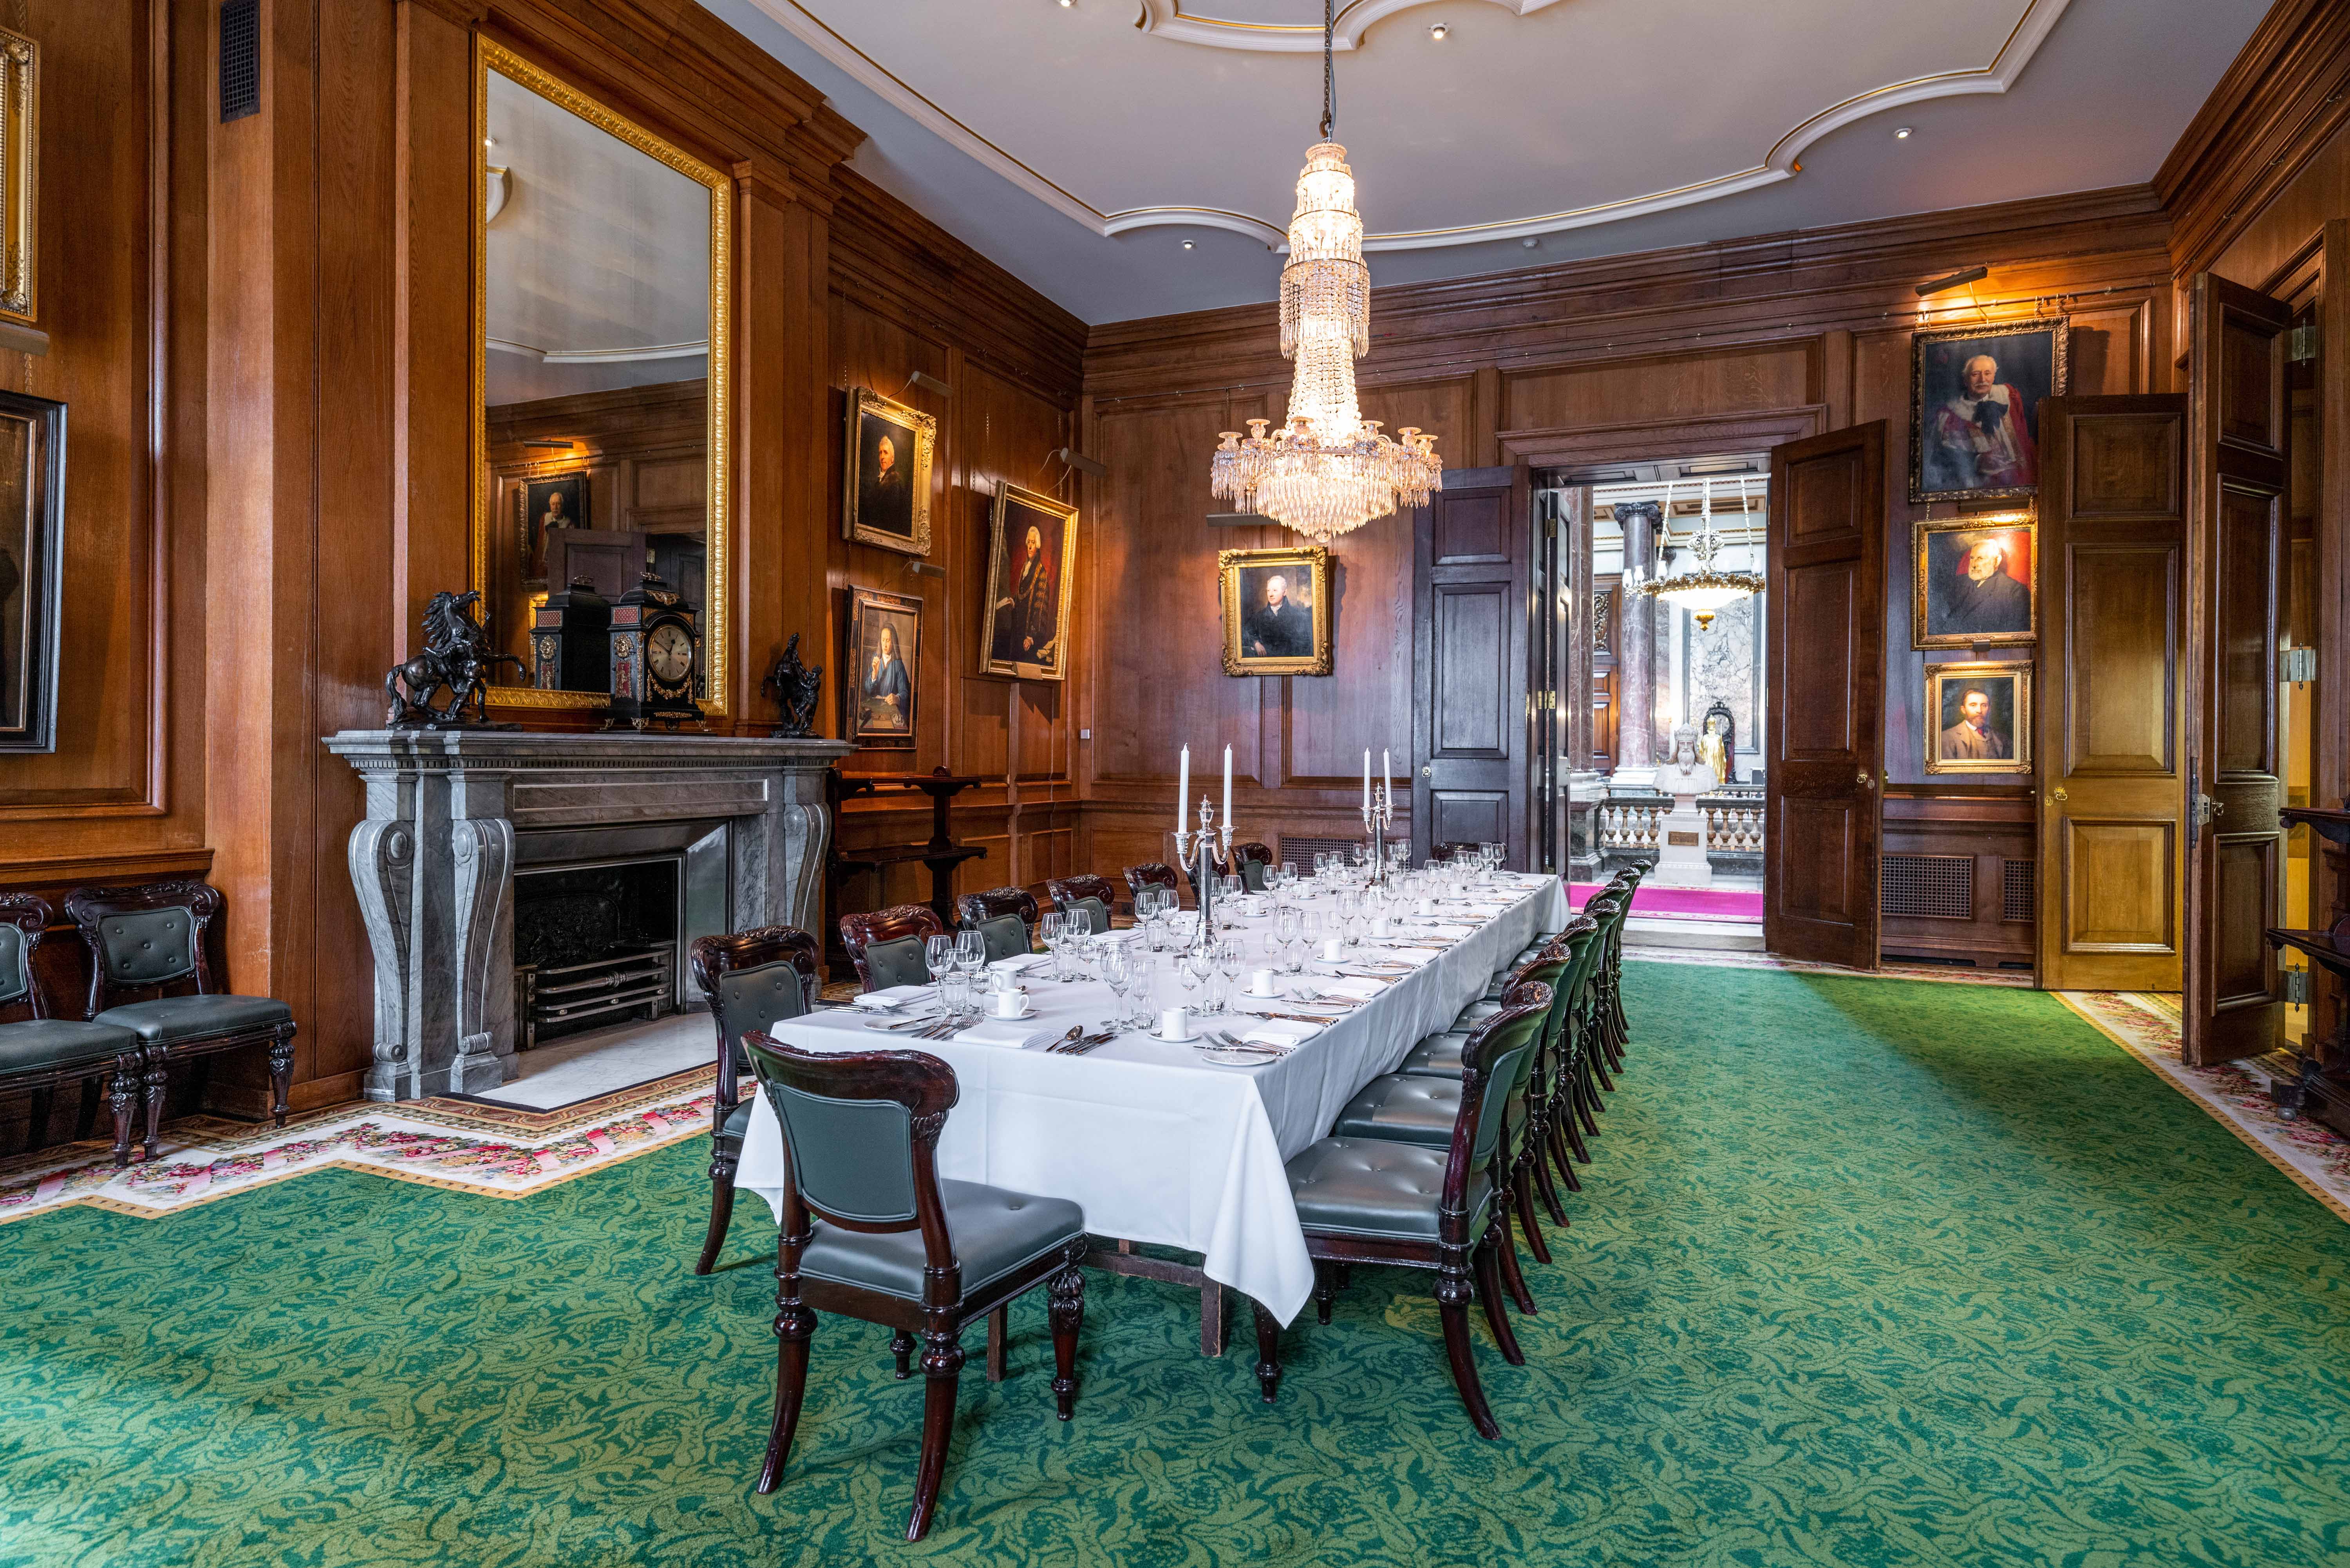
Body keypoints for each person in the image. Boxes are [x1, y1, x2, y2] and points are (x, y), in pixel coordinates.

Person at [1927, 352, 2039, 491]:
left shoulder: (2010, 396)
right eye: (1975, 374)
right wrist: (1977, 461)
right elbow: (1941, 460)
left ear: (1994, 376)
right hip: (1981, 488)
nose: (1982, 380)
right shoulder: (1949, 416)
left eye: (1988, 373)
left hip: (2023, 483)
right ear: (1965, 380)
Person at [1934, 537, 2032, 637]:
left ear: (1997, 561)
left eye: (1980, 558)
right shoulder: (1957, 582)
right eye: (1972, 558)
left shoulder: (2015, 592)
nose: (1974, 565)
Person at [992, 522, 1058, 666]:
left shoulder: (1041, 573)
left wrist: (1031, 636)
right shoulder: (1025, 567)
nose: (1030, 546)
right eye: (1028, 542)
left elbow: (1040, 608)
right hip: (1018, 628)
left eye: (1033, 543)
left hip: (1028, 635)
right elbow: (1022, 596)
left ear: (1037, 546)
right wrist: (1013, 601)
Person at [1243, 573, 1311, 658]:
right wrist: (1256, 643)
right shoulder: (1259, 616)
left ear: (1285, 592)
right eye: (1269, 590)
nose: (1271, 594)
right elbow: (1245, 633)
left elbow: (1306, 646)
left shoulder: (1299, 616)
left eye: (1275, 590)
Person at [859, 429, 912, 538]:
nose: (882, 457)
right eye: (880, 453)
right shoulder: (879, 481)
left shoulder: (895, 484)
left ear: (893, 458)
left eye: (886, 453)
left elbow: (890, 519)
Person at [1939, 686, 2011, 760]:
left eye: (1984, 706)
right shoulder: (1946, 738)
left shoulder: (2003, 739)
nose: (1979, 711)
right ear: (1964, 710)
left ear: (1989, 709)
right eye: (1973, 705)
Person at [862, 623, 909, 731]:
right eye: (883, 640)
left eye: (888, 641)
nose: (885, 645)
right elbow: (868, 690)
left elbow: (905, 693)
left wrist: (897, 698)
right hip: (875, 710)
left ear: (893, 642)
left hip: (890, 712)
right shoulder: (876, 658)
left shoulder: (898, 664)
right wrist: (874, 673)